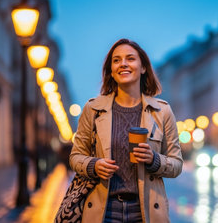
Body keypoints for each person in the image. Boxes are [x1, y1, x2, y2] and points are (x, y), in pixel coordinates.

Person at [69, 39, 183, 222]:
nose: (123, 64)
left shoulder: (162, 111)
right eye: (116, 60)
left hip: (145, 212)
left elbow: (176, 164)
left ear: (143, 67)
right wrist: (94, 165)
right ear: (111, 72)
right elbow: (75, 157)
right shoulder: (93, 109)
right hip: (104, 211)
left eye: (130, 58)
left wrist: (153, 160)